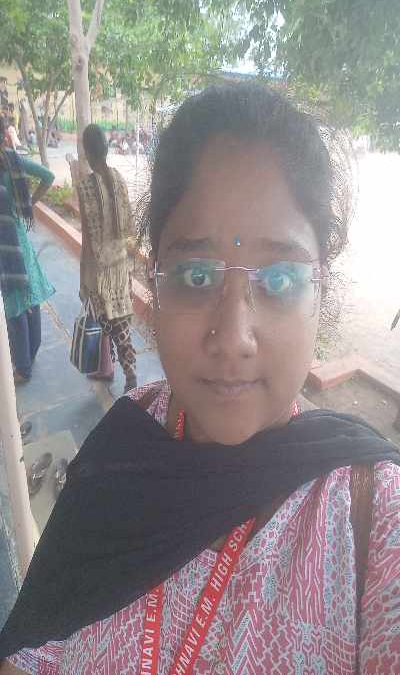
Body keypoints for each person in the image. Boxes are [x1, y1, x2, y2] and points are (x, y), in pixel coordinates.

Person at [1, 82, 400, 674]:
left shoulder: (368, 518)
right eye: (195, 275)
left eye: (280, 279)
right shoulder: (121, 449)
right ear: (156, 278)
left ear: (323, 290)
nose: (233, 337)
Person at [77, 124, 137, 391]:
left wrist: (83, 279)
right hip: (120, 266)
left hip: (99, 270)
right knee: (121, 323)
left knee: (105, 324)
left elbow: (87, 242)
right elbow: (128, 230)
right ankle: (123, 373)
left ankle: (118, 372)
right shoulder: (119, 178)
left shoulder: (85, 187)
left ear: (87, 152)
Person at [0, 115, 55, 383]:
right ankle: (30, 354)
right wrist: (29, 203)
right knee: (28, 297)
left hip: (4, 246)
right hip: (19, 238)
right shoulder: (14, 161)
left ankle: (23, 368)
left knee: (14, 303)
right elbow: (48, 176)